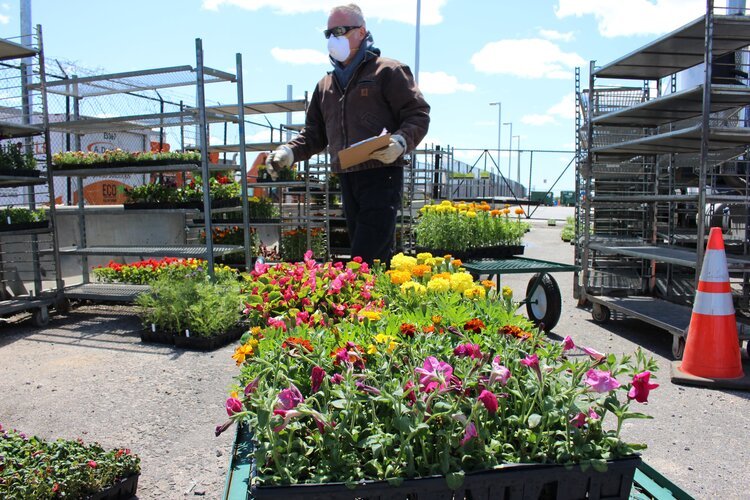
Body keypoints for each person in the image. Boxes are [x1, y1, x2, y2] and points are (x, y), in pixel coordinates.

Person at [266, 3, 430, 264]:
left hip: (381, 174)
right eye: (329, 33)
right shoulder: (326, 85)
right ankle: (381, 301)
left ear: (362, 32)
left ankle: (370, 300)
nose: (334, 38)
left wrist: (401, 142)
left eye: (340, 30)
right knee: (373, 259)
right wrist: (289, 151)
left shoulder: (387, 71)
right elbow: (314, 135)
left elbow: (417, 114)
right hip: (347, 177)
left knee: (364, 256)